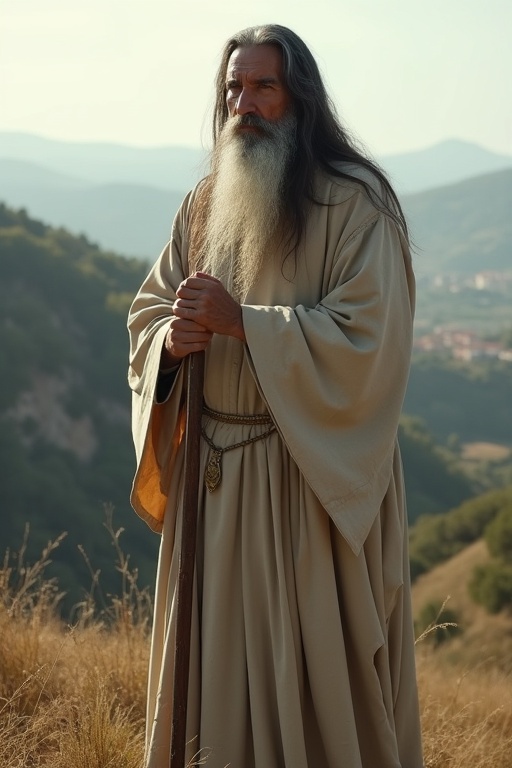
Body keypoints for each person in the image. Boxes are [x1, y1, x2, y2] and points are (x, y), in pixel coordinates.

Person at [128, 23, 424, 768]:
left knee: (313, 689)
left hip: (306, 488)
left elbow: (369, 339)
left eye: (264, 86)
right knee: (209, 693)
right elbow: (150, 311)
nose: (245, 104)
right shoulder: (203, 206)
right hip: (211, 488)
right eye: (234, 87)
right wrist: (172, 342)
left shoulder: (358, 206)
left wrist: (243, 325)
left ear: (301, 97)